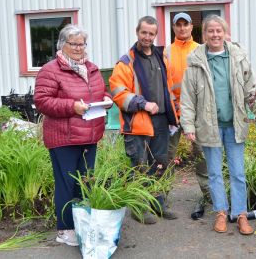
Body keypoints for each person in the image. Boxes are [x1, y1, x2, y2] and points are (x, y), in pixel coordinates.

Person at [34, 24, 112, 247]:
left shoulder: (92, 68)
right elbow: (42, 101)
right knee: (66, 184)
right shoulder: (50, 70)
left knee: (84, 183)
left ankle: (82, 223)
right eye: (74, 43)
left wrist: (106, 99)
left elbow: (99, 92)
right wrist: (72, 107)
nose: (79, 48)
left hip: (89, 136)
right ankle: (65, 229)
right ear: (62, 45)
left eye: (82, 44)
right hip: (64, 139)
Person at [180, 15, 256, 235]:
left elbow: (252, 89)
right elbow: (187, 98)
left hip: (235, 124)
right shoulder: (195, 62)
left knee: (238, 172)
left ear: (225, 33)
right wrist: (189, 126)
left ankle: (240, 214)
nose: (215, 35)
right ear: (204, 35)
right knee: (214, 173)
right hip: (209, 125)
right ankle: (221, 213)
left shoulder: (238, 57)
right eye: (210, 31)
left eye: (218, 31)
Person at [109, 16, 179, 224]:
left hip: (161, 122)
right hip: (138, 123)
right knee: (139, 166)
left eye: (151, 33)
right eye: (144, 32)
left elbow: (170, 88)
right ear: (137, 32)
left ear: (155, 35)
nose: (147, 37)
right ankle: (139, 208)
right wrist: (142, 103)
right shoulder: (126, 62)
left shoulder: (161, 58)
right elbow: (118, 93)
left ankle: (158, 204)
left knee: (159, 165)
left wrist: (175, 113)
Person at [164, 12, 212, 213]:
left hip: (197, 112)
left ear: (192, 27)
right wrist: (170, 104)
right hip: (173, 112)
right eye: (178, 25)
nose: (182, 28)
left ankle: (210, 195)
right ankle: (161, 196)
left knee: (203, 154)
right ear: (174, 28)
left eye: (186, 24)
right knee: (166, 156)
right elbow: (163, 82)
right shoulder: (166, 52)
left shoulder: (201, 51)